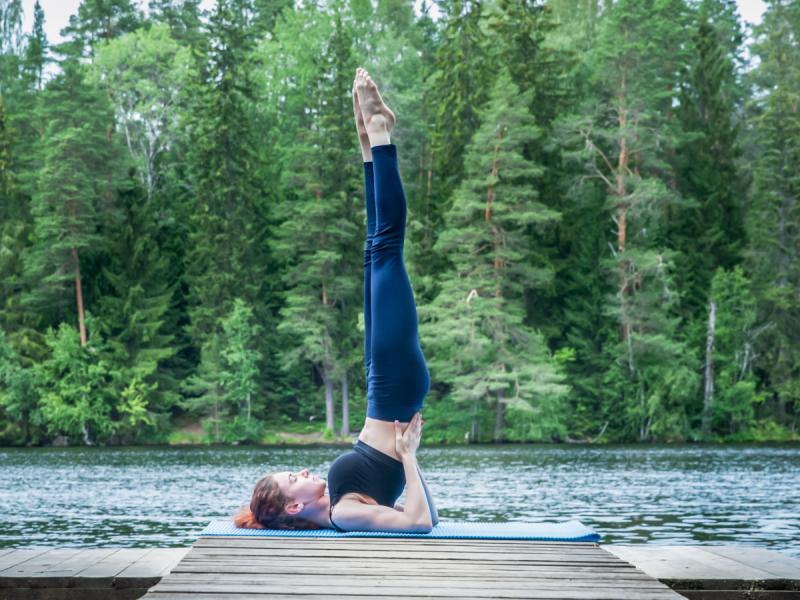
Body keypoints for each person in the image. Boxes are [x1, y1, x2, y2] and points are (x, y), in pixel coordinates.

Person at [233, 67, 438, 533]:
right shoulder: (344, 513)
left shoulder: (336, 504)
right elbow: (421, 524)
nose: (303, 472)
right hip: (394, 388)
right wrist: (409, 456)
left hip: (380, 388)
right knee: (386, 244)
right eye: (293, 479)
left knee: (373, 249)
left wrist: (407, 457)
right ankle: (380, 134)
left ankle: (369, 140)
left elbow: (421, 511)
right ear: (291, 506)